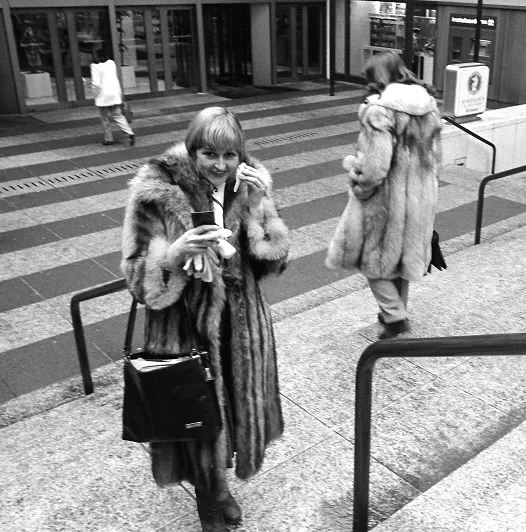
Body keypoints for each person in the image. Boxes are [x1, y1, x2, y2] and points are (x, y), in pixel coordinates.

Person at [121, 106, 290, 531]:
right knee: (197, 417)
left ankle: (220, 487)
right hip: (184, 327)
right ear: (193, 150)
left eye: (229, 156)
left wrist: (255, 210)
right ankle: (208, 499)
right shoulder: (157, 192)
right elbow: (136, 275)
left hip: (242, 324)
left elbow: (274, 261)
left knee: (231, 412)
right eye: (209, 154)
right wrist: (174, 255)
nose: (219, 165)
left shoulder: (250, 184)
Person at [325, 50, 442, 339]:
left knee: (372, 262)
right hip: (420, 199)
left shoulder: (379, 110)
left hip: (386, 202)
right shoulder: (429, 107)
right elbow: (436, 158)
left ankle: (394, 316)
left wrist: (358, 181)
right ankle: (396, 310)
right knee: (400, 259)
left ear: (377, 78)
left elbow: (375, 167)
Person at [90, 48, 135, 146]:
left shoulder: (94, 66)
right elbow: (115, 78)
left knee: (104, 118)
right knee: (118, 115)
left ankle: (108, 139)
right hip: (114, 93)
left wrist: (94, 93)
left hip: (103, 95)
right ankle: (129, 133)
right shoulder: (111, 63)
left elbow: (96, 83)